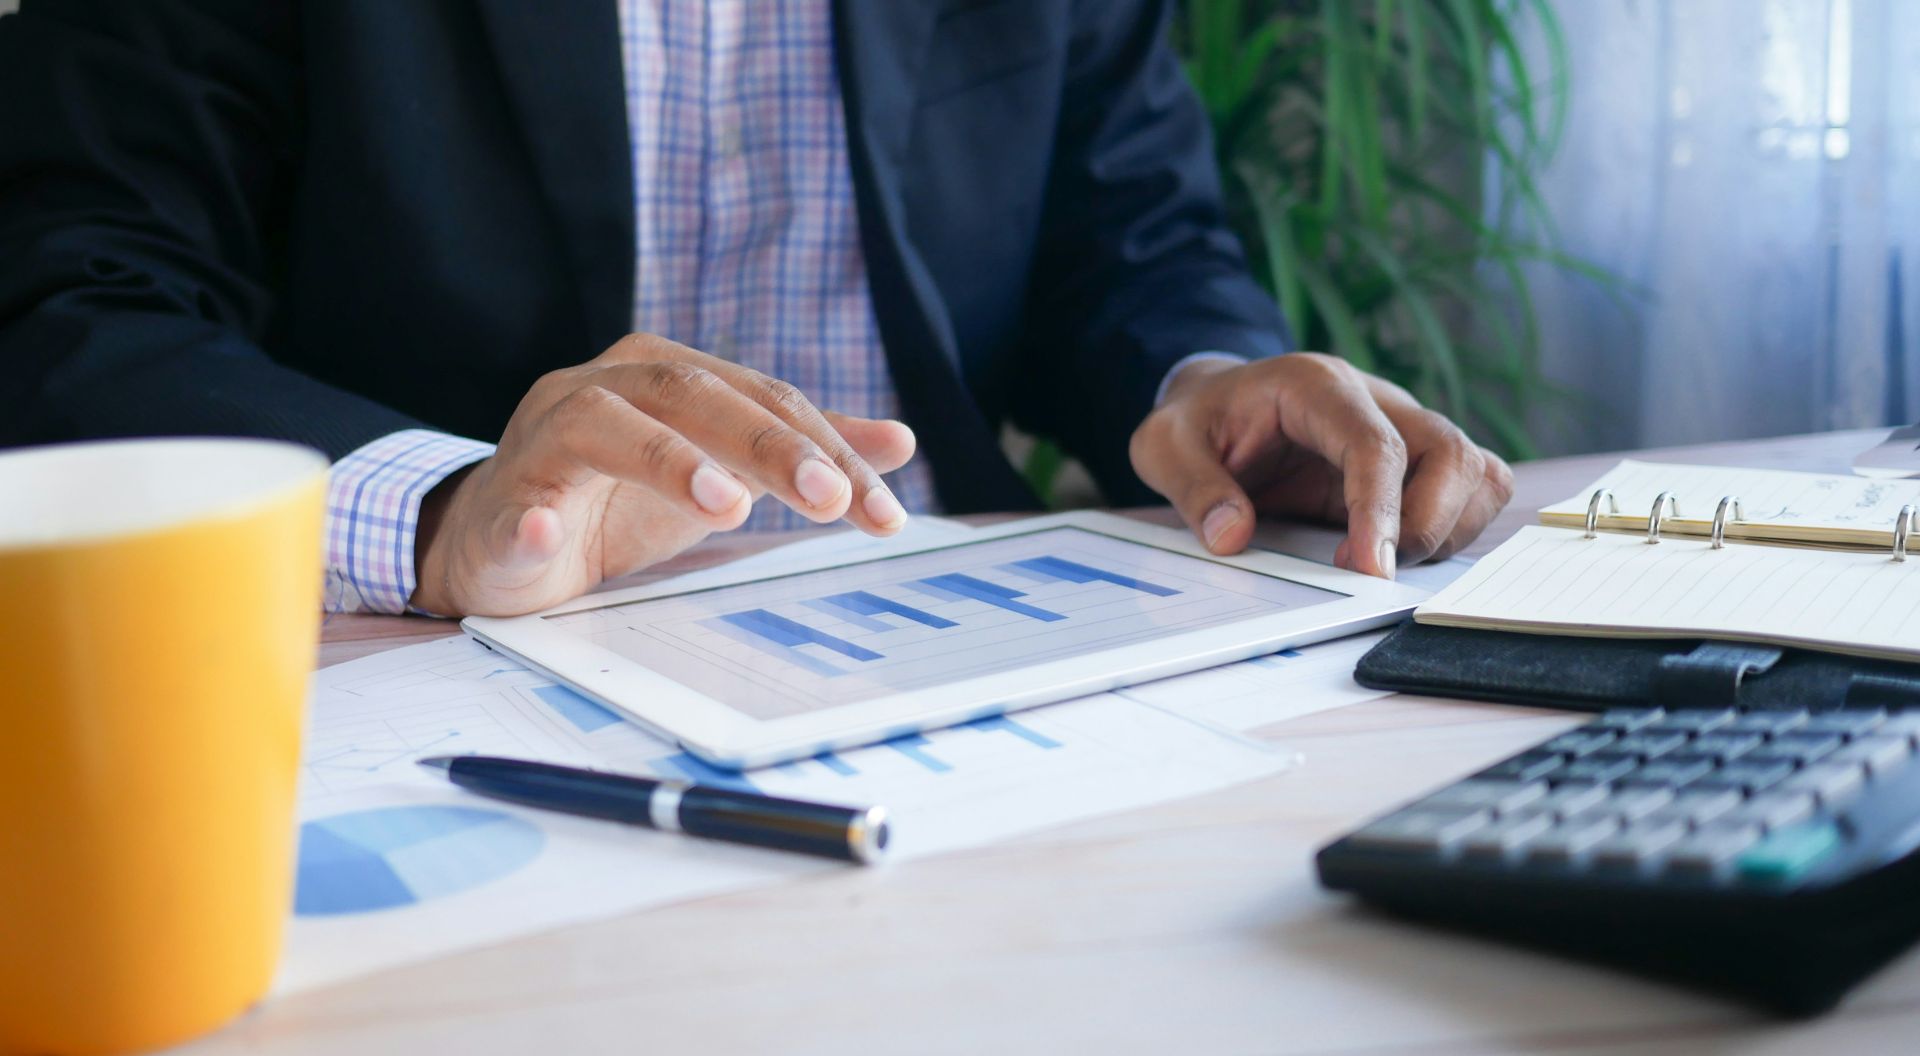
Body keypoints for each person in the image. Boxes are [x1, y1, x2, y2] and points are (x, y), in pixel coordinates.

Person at [0, 0, 1512, 618]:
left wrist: (1213, 381)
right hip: (444, 664)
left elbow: (1124, 233)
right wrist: (444, 511)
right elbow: (74, 302)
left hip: (956, 642)